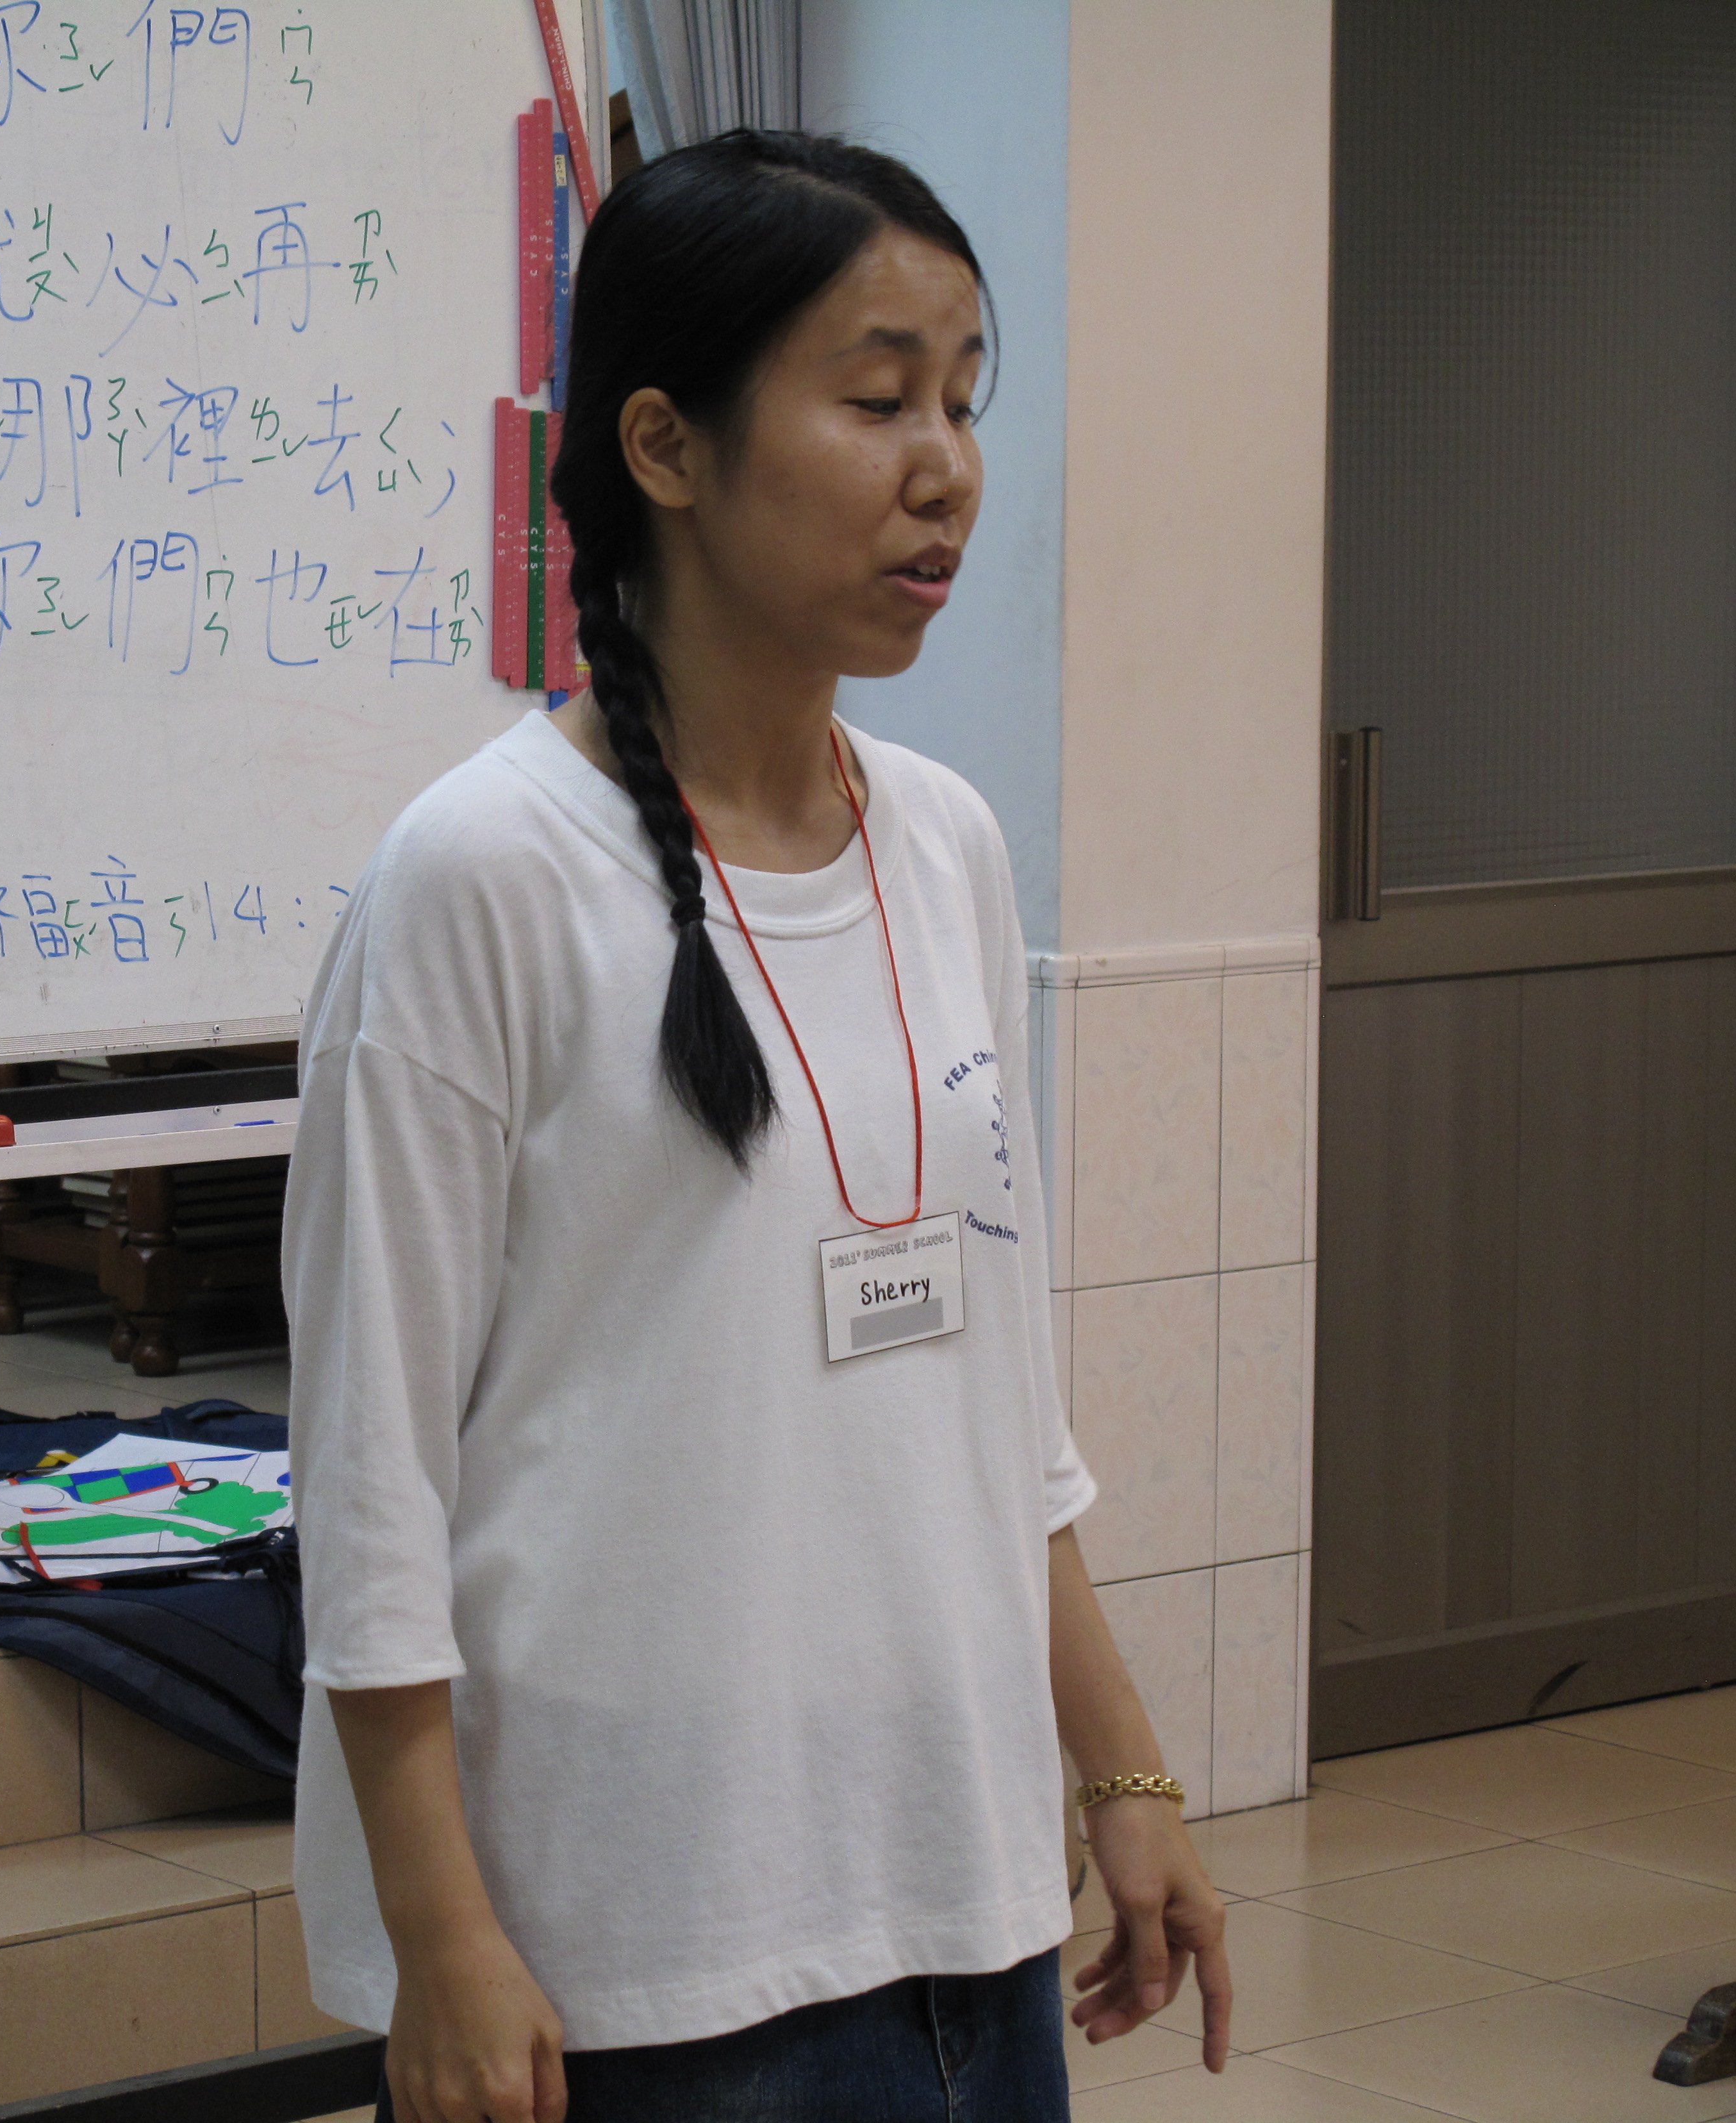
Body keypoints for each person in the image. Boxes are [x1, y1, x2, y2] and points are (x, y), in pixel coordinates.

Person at [283, 129, 1232, 2123]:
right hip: (637, 1946)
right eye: (878, 399)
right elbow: (373, 1486)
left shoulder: (948, 843)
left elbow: (999, 1401)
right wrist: (441, 1938)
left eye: (964, 399)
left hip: (963, 1892)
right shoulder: (479, 878)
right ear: (665, 445)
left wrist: (1123, 1771)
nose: (946, 466)